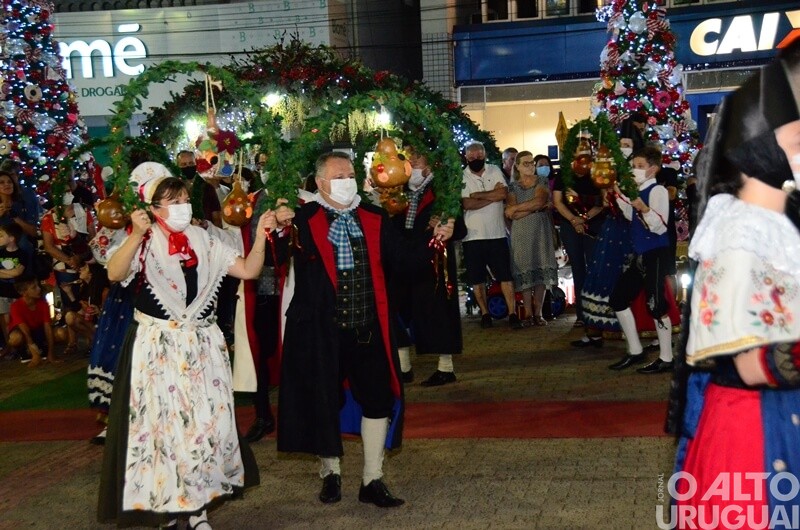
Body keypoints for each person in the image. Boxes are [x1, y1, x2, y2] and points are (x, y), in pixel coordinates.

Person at [98, 162, 275, 529]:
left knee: (202, 429)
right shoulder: (143, 242)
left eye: (183, 199)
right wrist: (135, 234)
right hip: (156, 349)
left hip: (201, 349)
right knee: (163, 430)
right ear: (153, 208)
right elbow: (115, 274)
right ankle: (164, 504)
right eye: (171, 201)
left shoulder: (204, 239)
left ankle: (197, 510)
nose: (181, 206)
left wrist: (260, 236)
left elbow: (248, 271)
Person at [276, 152, 453, 508]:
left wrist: (436, 239)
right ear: (321, 183)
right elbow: (277, 255)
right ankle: (330, 472)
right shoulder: (303, 219)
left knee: (378, 399)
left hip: (367, 328)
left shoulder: (373, 216)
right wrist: (278, 225)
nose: (347, 180)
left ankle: (372, 478)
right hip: (320, 332)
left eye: (351, 174)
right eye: (339, 176)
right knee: (323, 399)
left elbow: (402, 260)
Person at [672, 40, 800, 524]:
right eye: (796, 144)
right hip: (755, 433)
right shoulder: (737, 233)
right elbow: (748, 363)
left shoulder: (784, 227)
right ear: (761, 146)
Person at [390, 147, 465, 386]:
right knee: (398, 309)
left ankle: (446, 367)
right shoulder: (398, 190)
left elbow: (460, 229)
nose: (412, 160)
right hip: (404, 260)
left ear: (430, 162)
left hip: (433, 261)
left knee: (438, 312)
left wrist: (446, 226)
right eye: (407, 157)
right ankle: (403, 367)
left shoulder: (442, 191)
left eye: (417, 156)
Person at [607, 147, 674, 374]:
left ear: (652, 169)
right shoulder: (636, 191)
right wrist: (617, 193)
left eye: (640, 166)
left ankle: (667, 357)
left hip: (655, 253)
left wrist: (643, 208)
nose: (635, 170)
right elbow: (628, 214)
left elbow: (659, 226)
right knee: (618, 298)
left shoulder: (658, 192)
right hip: (639, 255)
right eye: (633, 166)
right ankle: (634, 350)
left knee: (656, 304)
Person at [461, 141, 521, 329]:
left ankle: (512, 313)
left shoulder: (494, 169)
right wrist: (491, 195)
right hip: (472, 236)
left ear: (484, 155)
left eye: (479, 156)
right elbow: (467, 204)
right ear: (466, 157)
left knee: (505, 275)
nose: (476, 159)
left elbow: (503, 193)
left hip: (496, 234)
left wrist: (478, 195)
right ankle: (485, 314)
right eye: (472, 157)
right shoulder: (462, 176)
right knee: (477, 279)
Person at [505, 151, 558, 325]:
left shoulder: (541, 181)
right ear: (517, 166)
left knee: (540, 268)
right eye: (526, 163)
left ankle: (539, 313)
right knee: (525, 270)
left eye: (531, 163)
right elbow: (511, 213)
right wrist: (533, 208)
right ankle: (528, 314)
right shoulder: (512, 187)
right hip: (520, 232)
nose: (530, 166)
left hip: (540, 230)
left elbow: (540, 200)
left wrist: (521, 209)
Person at [7, 276, 54, 367]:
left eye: (38, 286)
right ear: (23, 292)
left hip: (38, 331)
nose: (39, 289)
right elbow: (25, 330)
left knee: (60, 333)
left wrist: (51, 353)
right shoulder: (16, 306)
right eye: (34, 287)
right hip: (24, 334)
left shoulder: (43, 304)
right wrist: (34, 353)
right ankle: (25, 351)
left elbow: (47, 328)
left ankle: (42, 350)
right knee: (15, 338)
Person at [176, 150, 222, 229]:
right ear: (178, 166)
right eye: (184, 164)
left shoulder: (207, 187)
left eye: (191, 163)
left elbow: (217, 218)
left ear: (196, 164)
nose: (188, 167)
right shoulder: (174, 189)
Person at [0, 223, 26, 350]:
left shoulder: (22, 254)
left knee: (18, 320)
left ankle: (21, 344)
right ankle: (10, 346)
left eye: (2, 236)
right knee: (5, 320)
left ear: (11, 238)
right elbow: (15, 272)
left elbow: (18, 272)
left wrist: (3, 273)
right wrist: (12, 273)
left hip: (17, 292)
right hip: (2, 292)